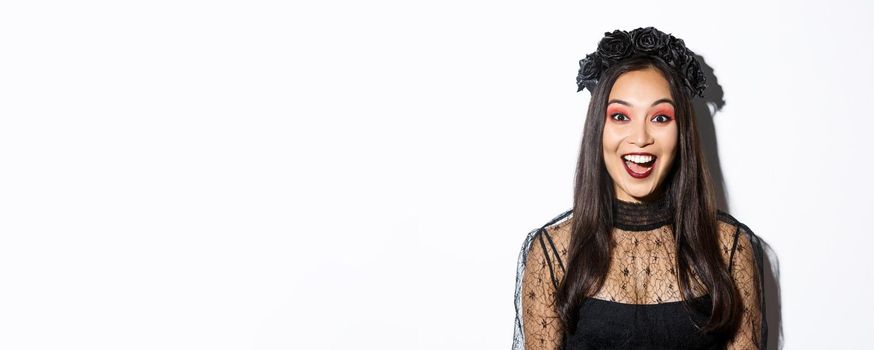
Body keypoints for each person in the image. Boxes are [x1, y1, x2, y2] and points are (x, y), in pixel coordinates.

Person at [511, 27, 767, 350]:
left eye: (659, 118)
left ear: (682, 132)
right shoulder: (555, 255)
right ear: (598, 129)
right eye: (620, 116)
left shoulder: (729, 250)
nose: (641, 138)